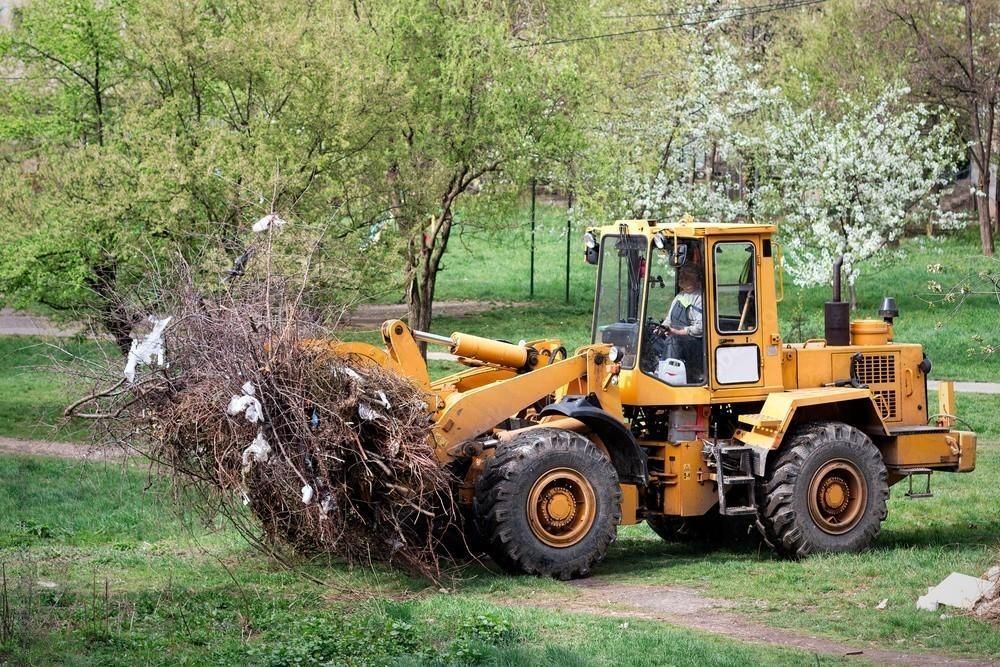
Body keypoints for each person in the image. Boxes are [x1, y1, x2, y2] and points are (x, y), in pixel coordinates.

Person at [660, 264, 704, 382]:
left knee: (673, 341)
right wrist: (662, 328)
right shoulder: (680, 296)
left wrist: (677, 332)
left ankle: (669, 380)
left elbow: (701, 328)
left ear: (696, 279)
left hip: (694, 342)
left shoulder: (699, 298)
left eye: (686, 275)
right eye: (681, 274)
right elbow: (669, 319)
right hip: (675, 333)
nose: (681, 277)